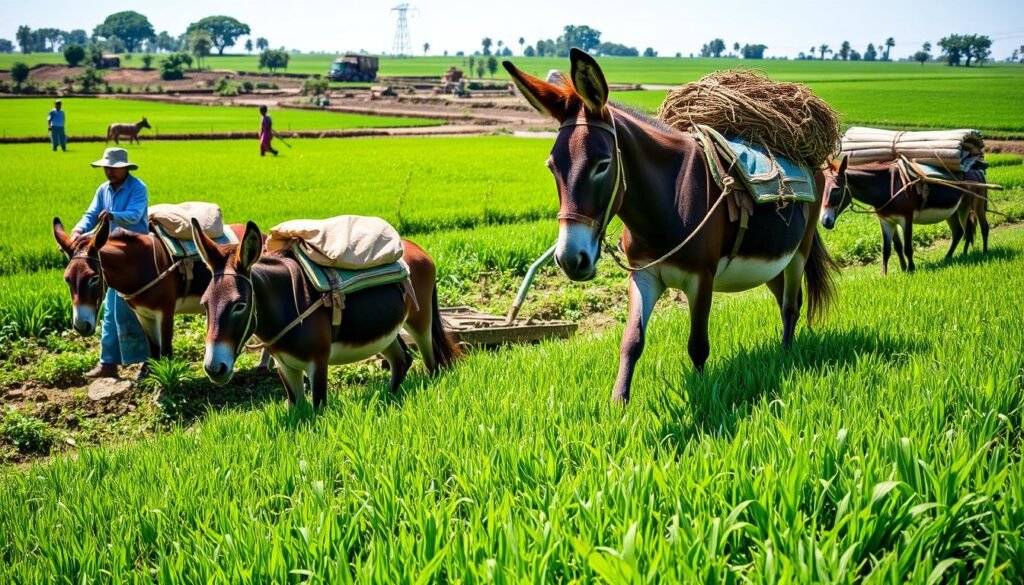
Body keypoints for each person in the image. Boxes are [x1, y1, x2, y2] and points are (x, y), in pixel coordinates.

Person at [71, 147, 150, 379]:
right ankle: (108, 363)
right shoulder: (103, 190)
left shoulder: (138, 187)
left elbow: (135, 215)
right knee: (109, 309)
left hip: (134, 254)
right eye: (107, 168)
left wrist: (113, 215)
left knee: (134, 311)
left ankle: (149, 362)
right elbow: (91, 214)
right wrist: (77, 230)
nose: (110, 172)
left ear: (126, 168)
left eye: (114, 168)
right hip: (109, 256)